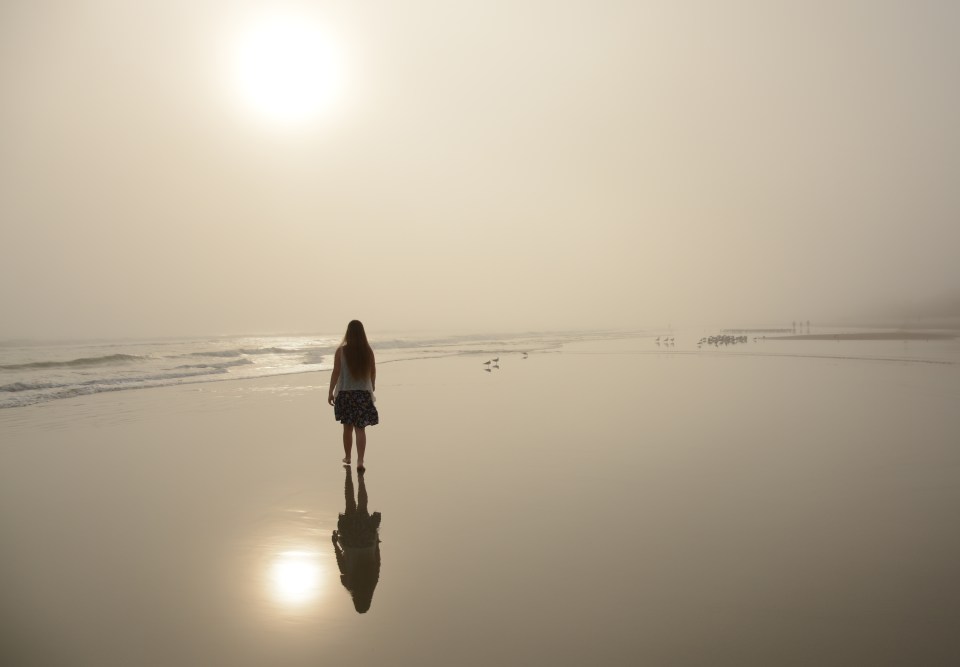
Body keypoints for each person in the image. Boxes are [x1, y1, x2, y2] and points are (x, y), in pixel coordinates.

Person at [328, 320, 378, 471]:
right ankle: (360, 461)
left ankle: (348, 456)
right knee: (360, 428)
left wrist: (330, 391)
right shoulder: (367, 351)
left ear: (348, 333)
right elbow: (373, 370)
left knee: (347, 428)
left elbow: (336, 372)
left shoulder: (341, 351)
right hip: (362, 393)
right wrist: (372, 386)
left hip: (345, 394)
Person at [331, 465, 381, 613]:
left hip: (366, 539)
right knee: (349, 503)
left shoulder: (373, 581)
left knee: (363, 507)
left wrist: (376, 539)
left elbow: (378, 559)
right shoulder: (349, 584)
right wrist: (335, 544)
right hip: (350, 539)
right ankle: (348, 476)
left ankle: (360, 479)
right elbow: (341, 562)